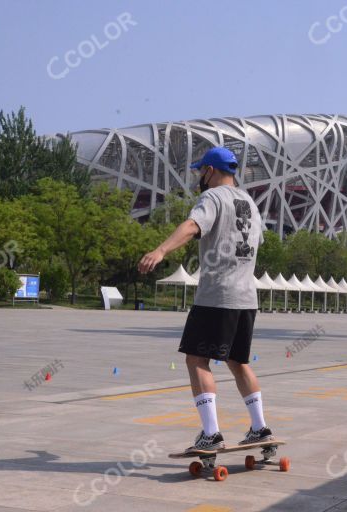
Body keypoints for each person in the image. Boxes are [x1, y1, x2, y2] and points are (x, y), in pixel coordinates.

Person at [138, 146, 271, 451]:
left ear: (211, 171)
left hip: (217, 296)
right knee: (239, 362)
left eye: (201, 171)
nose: (199, 176)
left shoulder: (212, 197)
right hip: (246, 298)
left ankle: (210, 434)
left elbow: (192, 226)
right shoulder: (251, 203)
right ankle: (260, 428)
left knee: (197, 359)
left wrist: (161, 250)